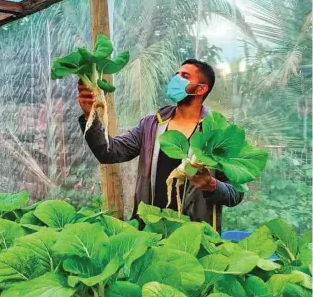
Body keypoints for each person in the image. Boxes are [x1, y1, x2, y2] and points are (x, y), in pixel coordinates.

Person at [77, 59, 243, 232]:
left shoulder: (219, 132)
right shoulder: (151, 125)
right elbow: (109, 152)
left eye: (184, 76)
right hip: (150, 232)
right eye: (176, 74)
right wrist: (90, 115)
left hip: (195, 238)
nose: (176, 79)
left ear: (201, 89)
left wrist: (212, 185)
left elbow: (236, 193)